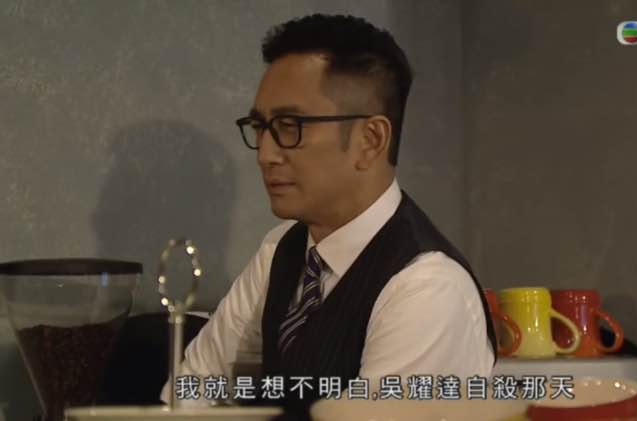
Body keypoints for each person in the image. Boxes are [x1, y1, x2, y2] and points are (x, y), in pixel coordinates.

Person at [161, 13, 497, 411]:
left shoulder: (427, 288)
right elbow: (192, 391)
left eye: (290, 126)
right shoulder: (280, 249)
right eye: (260, 127)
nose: (266, 154)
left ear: (371, 140)